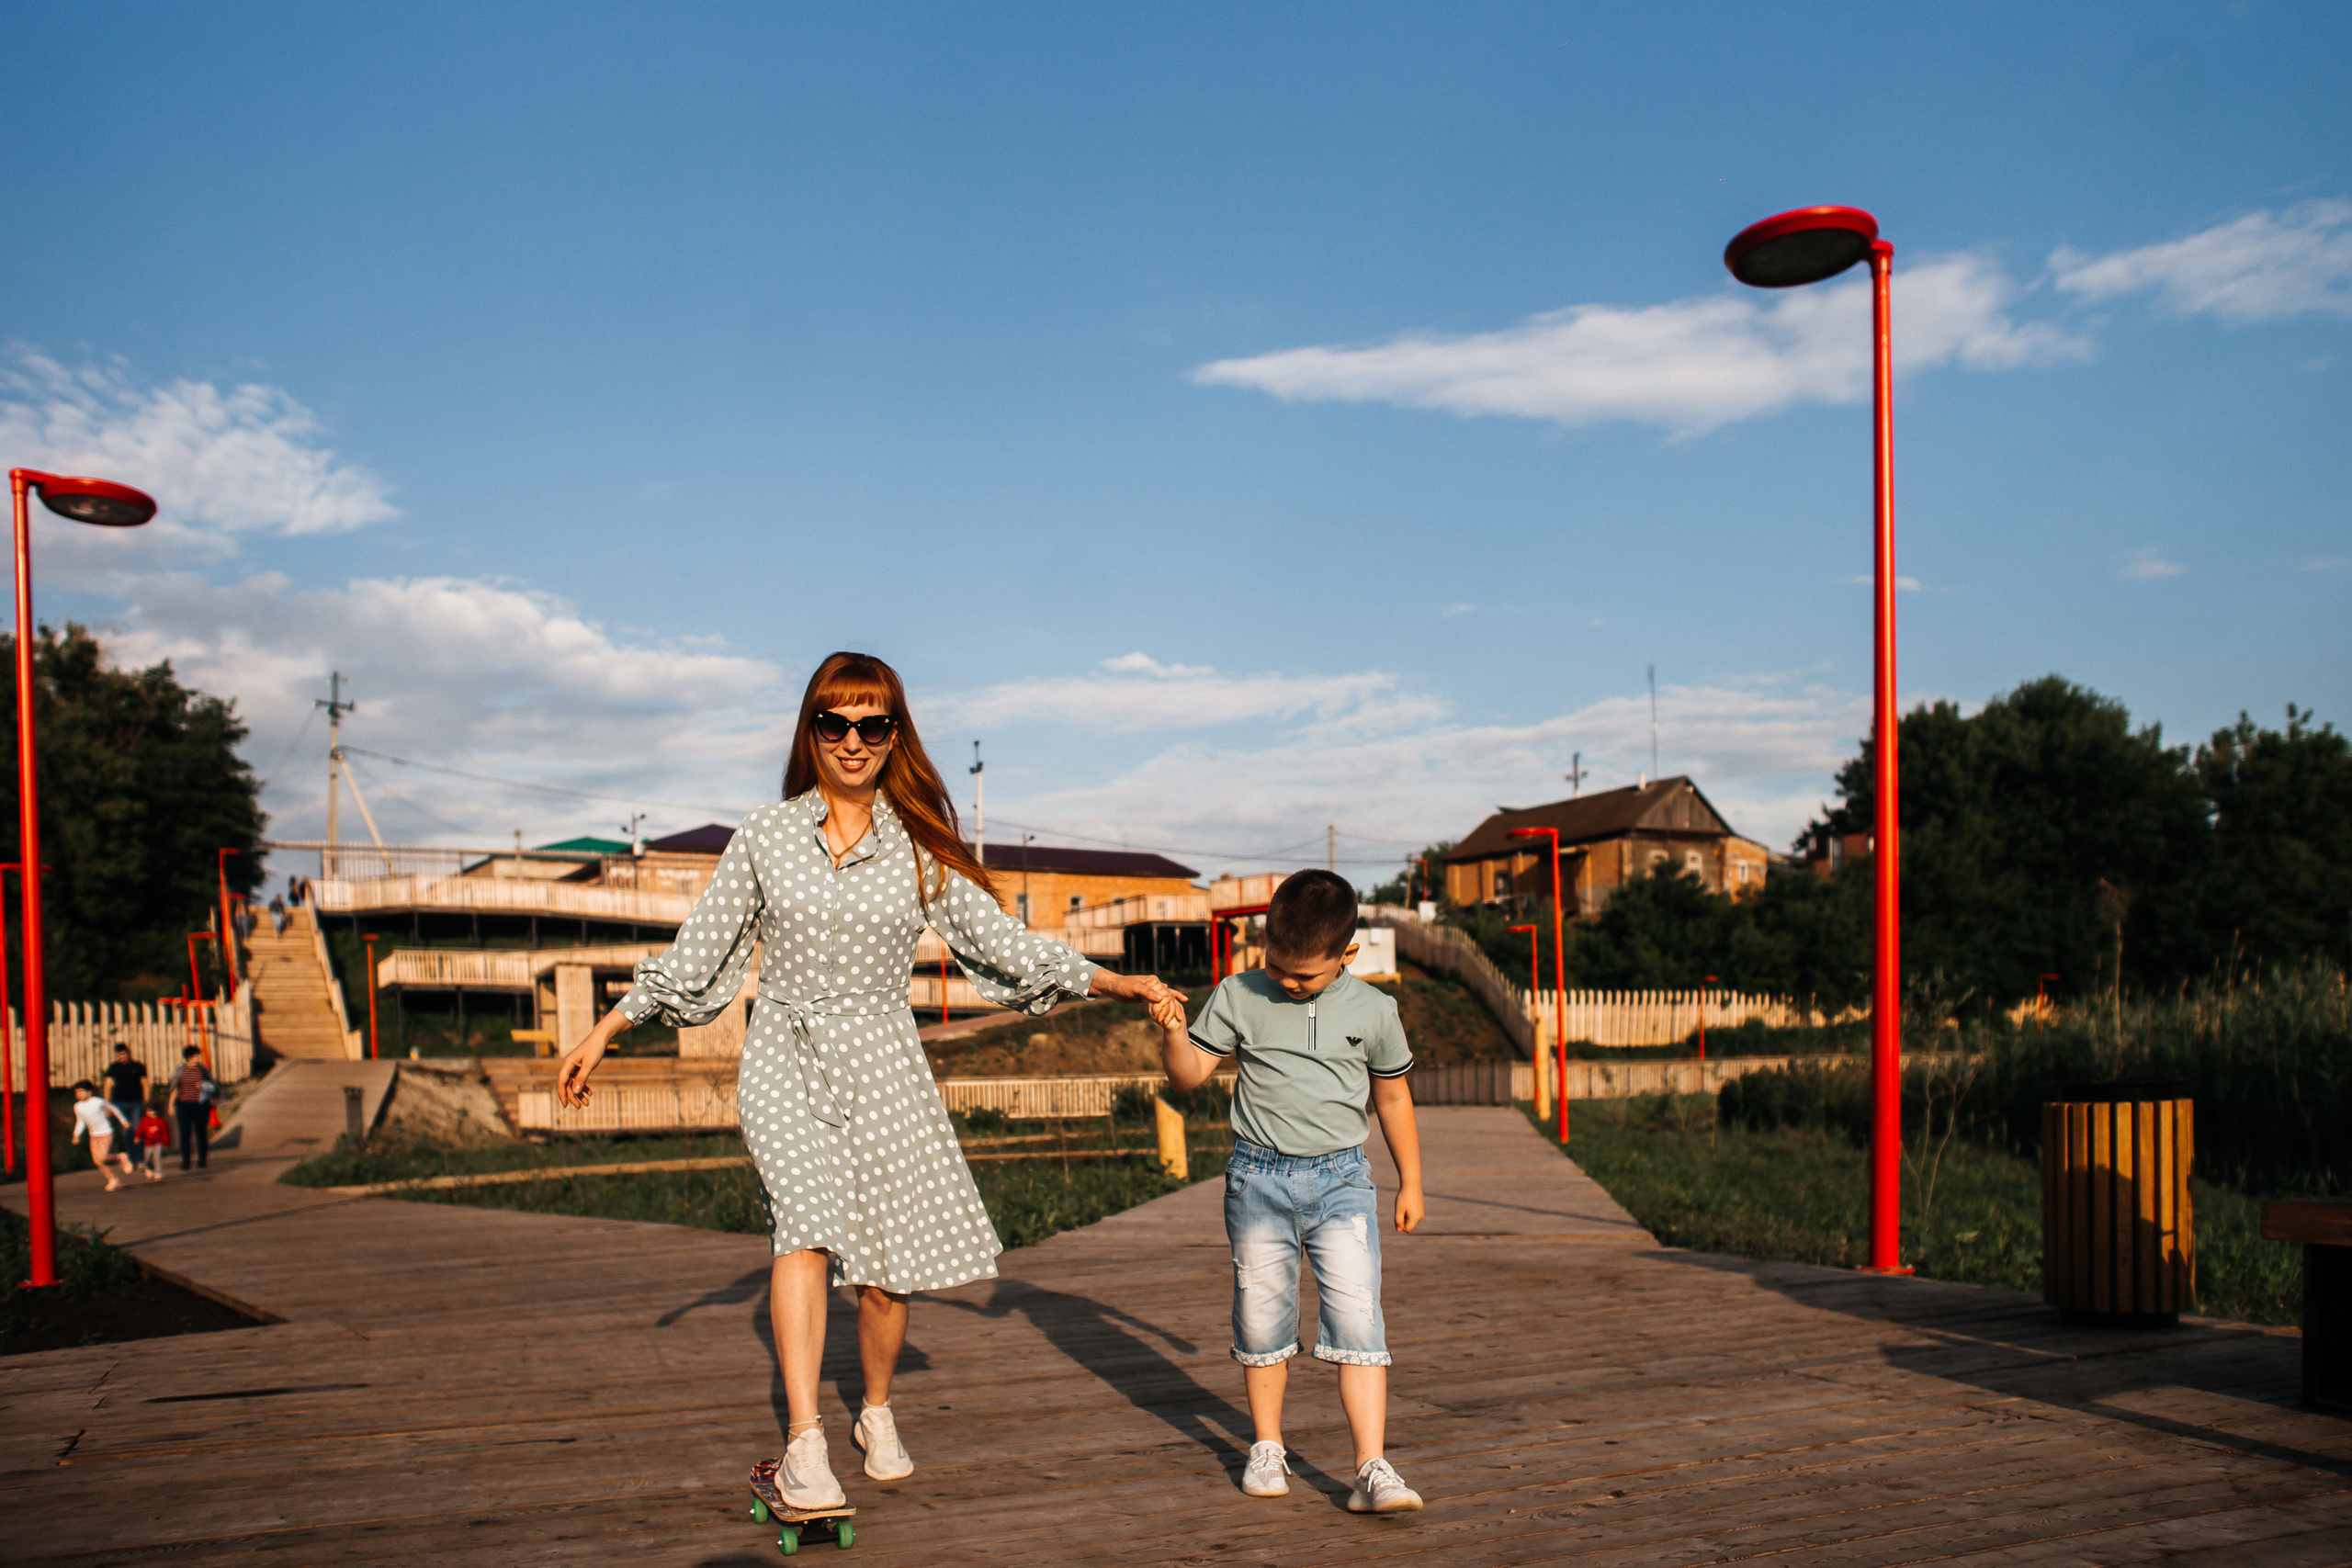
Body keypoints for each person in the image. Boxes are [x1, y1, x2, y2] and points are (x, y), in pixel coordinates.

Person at [558, 651, 1182, 1513]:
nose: (852, 741)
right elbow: (698, 956)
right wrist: (608, 1027)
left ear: (895, 736)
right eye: (834, 722)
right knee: (802, 1227)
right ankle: (805, 1442)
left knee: (887, 1271)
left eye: (871, 724)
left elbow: (1006, 948)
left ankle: (876, 1409)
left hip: (884, 1056)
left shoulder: (921, 847)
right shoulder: (766, 836)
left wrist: (1117, 983)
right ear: (810, 731)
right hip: (784, 1046)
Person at [1148, 868, 1427, 1514]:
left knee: (1359, 1316)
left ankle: (1371, 1465)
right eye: (1277, 966)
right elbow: (1190, 1074)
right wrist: (1171, 1029)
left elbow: (1393, 1094)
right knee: (1261, 1314)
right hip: (1258, 1179)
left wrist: (1411, 1179)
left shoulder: (1375, 1011)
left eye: (1304, 975)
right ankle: (1267, 1446)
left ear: (1347, 954)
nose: (1288, 982)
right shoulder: (1239, 993)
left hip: (1344, 1182)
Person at [69, 1081, 136, 1190]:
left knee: (103, 1157)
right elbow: (81, 1121)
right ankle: (113, 1179)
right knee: (98, 1161)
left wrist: (124, 1121)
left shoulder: (98, 1102)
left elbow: (113, 1109)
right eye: (76, 1092)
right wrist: (76, 1134)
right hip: (93, 1135)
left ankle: (120, 1158)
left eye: (81, 1091)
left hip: (106, 1133)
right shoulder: (78, 1107)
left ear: (90, 1092)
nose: (78, 1094)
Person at [172, 1046, 216, 1170]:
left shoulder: (203, 1070)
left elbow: (212, 1086)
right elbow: (176, 1087)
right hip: (184, 1104)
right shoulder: (181, 1070)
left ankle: (202, 1159)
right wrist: (171, 1104)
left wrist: (203, 1086)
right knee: (185, 1133)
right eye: (197, 1056)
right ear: (190, 1057)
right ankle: (186, 1160)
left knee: (201, 1132)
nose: (199, 1058)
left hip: (201, 1104)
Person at [103, 1043, 148, 1135]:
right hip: (120, 1103)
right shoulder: (114, 1067)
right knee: (125, 1130)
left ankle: (138, 1149)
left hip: (136, 1102)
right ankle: (128, 1149)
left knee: (137, 1129)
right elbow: (108, 1086)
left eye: (124, 1054)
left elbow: (145, 1085)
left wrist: (146, 1102)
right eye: (120, 1054)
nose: (122, 1056)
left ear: (129, 1053)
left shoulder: (138, 1066)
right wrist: (107, 1104)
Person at [133, 1103, 172, 1181]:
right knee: (147, 1158)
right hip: (148, 1143)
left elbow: (165, 1133)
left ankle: (158, 1172)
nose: (149, 1113)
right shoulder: (144, 1120)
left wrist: (166, 1143)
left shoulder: (161, 1121)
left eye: (151, 1111)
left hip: (158, 1143)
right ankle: (149, 1170)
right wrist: (137, 1136)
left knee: (157, 1158)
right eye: (148, 1111)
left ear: (157, 1111)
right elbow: (140, 1129)